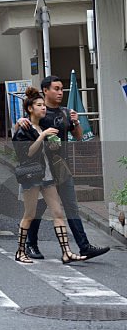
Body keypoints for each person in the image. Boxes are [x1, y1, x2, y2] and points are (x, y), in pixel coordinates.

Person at [14, 75, 108, 260]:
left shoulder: (65, 112)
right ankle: (31, 245)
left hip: (61, 167)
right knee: (36, 210)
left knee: (70, 207)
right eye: (56, 88)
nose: (60, 92)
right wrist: (19, 121)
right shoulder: (39, 111)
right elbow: (26, 129)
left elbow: (78, 136)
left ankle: (83, 246)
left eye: (61, 88)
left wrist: (76, 122)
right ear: (45, 91)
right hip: (39, 170)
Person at [12, 87, 85, 264]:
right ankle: (20, 251)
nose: (44, 108)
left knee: (58, 212)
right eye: (39, 105)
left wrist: (51, 144)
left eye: (44, 105)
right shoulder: (25, 129)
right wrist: (42, 136)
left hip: (47, 175)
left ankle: (67, 252)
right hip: (31, 176)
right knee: (29, 214)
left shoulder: (43, 126)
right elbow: (27, 154)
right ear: (30, 109)